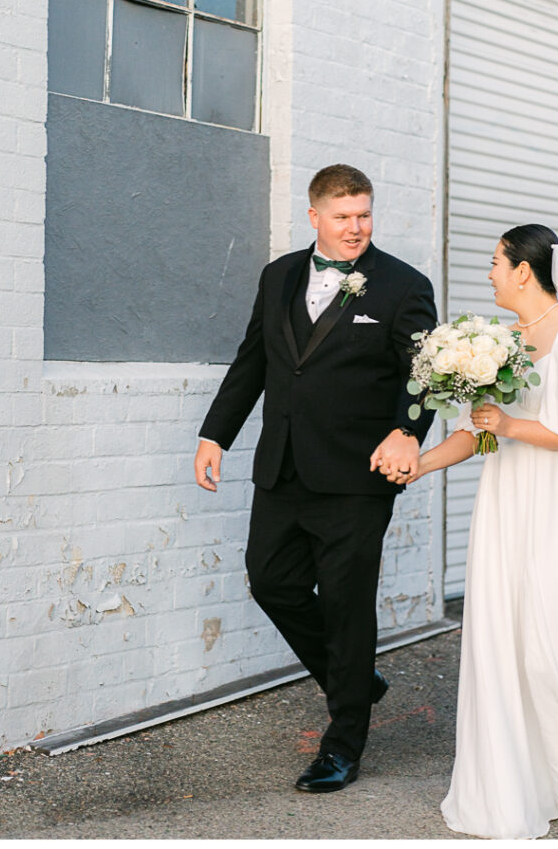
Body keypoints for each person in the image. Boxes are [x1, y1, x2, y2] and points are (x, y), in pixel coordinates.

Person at [402, 224, 558, 839]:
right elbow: (476, 431)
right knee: (508, 643)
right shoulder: (500, 341)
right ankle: (546, 782)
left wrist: (509, 426)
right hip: (504, 504)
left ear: (523, 270)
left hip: (556, 507)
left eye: (495, 262)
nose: (488, 272)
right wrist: (417, 464)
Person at [194, 164, 437, 793]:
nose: (356, 228)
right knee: (271, 581)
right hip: (283, 465)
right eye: (342, 216)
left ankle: (343, 743)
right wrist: (214, 434)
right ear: (315, 218)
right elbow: (255, 360)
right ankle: (355, 677)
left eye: (364, 214)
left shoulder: (404, 286)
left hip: (358, 476)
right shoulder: (277, 275)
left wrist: (408, 431)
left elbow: (424, 376)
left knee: (349, 604)